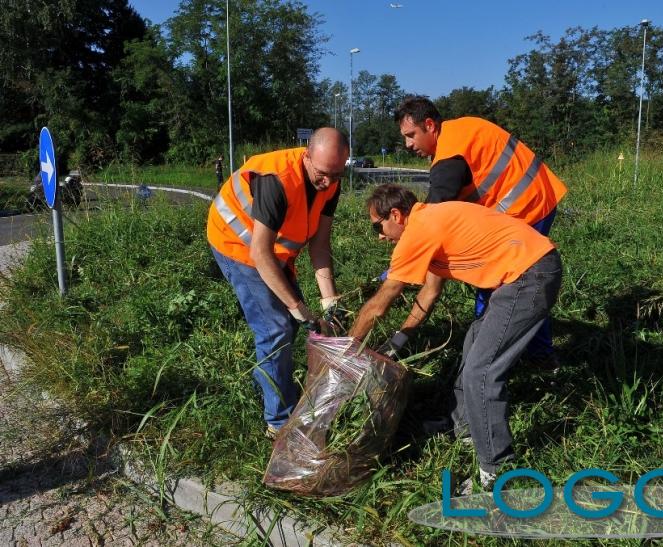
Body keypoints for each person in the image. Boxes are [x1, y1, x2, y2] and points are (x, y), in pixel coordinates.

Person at [350, 184, 562, 487]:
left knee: (482, 372)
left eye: (377, 227)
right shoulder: (431, 223)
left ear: (395, 214)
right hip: (524, 274)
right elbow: (430, 293)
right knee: (472, 344)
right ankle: (465, 430)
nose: (380, 236)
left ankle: (496, 471)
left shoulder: (418, 231)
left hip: (530, 275)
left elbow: (379, 305)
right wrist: (399, 341)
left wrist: (345, 349)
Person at [389, 96, 568, 363]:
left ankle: (524, 357)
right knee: (514, 284)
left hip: (527, 206)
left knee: (504, 282)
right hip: (536, 194)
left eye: (411, 135)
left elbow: (432, 220)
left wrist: (410, 259)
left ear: (429, 125)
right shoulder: (459, 132)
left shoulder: (449, 155)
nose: (408, 144)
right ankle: (522, 352)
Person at [207, 128, 348, 437]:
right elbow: (259, 252)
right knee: (276, 327)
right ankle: (279, 423)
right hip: (236, 242)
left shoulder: (331, 183)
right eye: (324, 174)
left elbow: (320, 245)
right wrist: (297, 306)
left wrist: (329, 302)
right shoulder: (278, 181)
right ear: (307, 155)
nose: (329, 182)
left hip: (273, 251)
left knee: (290, 325)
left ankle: (274, 380)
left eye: (338, 174)